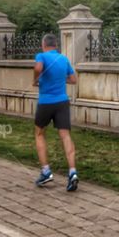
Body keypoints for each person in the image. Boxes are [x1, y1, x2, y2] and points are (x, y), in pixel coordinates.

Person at [32, 33, 78, 191]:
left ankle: (46, 172)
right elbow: (73, 79)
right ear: (56, 45)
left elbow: (38, 68)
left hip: (45, 102)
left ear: (44, 44)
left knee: (39, 134)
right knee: (65, 135)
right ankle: (72, 172)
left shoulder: (41, 56)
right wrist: (59, 80)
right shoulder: (63, 59)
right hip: (62, 102)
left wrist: (36, 79)